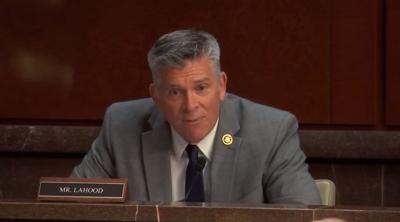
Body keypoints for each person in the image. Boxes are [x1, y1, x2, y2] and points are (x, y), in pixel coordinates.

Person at [71, 29, 321, 205]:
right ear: (155, 95)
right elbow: (72, 204)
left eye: (201, 88)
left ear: (221, 86)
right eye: (174, 92)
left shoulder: (270, 131)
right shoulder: (121, 126)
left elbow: (302, 212)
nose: (190, 105)